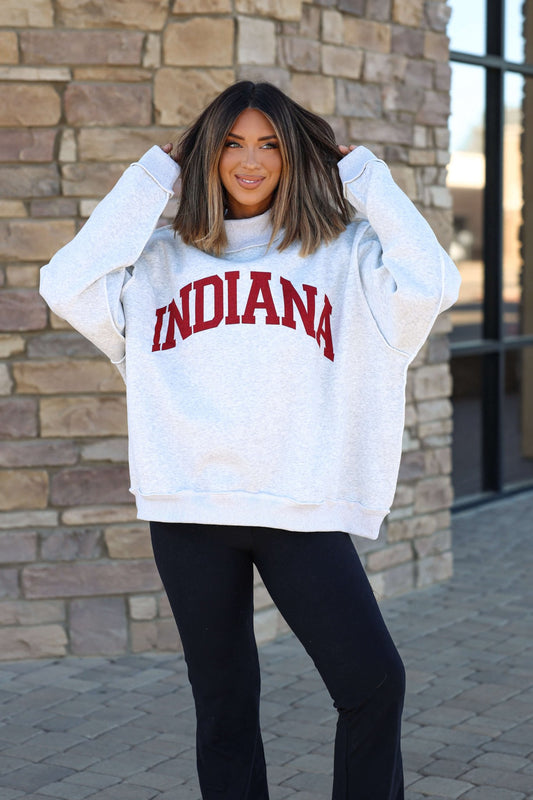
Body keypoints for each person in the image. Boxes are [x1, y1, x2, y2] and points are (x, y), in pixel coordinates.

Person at [40, 80, 461, 800]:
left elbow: (430, 284)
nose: (250, 160)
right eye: (231, 142)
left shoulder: (345, 256)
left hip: (298, 509)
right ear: (206, 155)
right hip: (189, 512)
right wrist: (154, 173)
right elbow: (64, 282)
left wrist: (363, 175)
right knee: (224, 708)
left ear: (296, 156)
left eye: (269, 143)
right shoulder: (159, 262)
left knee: (372, 682)